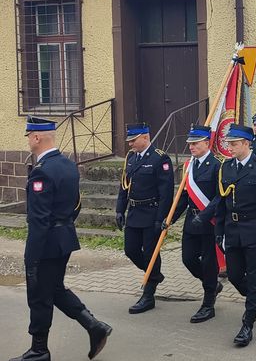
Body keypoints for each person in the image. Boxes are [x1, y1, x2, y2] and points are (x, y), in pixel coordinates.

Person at [10, 116, 112, 361]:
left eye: (28, 137)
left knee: (39, 294)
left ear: (36, 137)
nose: (28, 142)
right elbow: (75, 205)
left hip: (46, 243)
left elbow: (38, 220)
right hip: (64, 238)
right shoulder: (68, 165)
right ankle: (94, 326)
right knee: (54, 289)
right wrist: (63, 224)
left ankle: (39, 350)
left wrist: (31, 257)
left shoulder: (42, 173)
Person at [215, 124, 256, 347]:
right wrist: (219, 232)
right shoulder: (227, 167)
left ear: (246, 143)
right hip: (232, 231)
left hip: (254, 231)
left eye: (234, 144)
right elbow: (222, 203)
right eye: (229, 143)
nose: (229, 147)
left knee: (254, 278)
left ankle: (248, 323)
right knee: (234, 275)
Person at [116, 123, 174, 314]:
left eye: (133, 140)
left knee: (151, 254)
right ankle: (155, 275)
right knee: (131, 250)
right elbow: (124, 186)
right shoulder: (131, 158)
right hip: (134, 213)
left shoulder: (160, 158)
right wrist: (119, 210)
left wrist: (161, 218)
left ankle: (148, 295)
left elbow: (166, 193)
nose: (130, 144)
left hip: (151, 213)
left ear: (145, 138)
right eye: (129, 141)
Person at [167, 125, 222, 323]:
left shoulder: (217, 165)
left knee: (209, 264)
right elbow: (183, 196)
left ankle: (208, 304)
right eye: (189, 144)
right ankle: (212, 285)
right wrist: (171, 218)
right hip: (191, 221)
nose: (191, 147)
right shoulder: (188, 166)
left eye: (195, 143)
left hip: (209, 222)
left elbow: (219, 197)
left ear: (206, 143)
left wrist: (206, 215)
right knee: (188, 259)